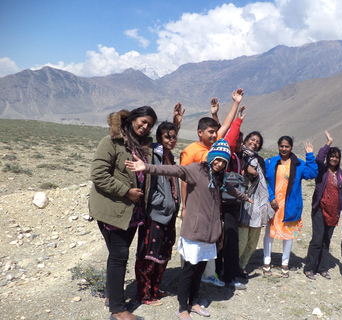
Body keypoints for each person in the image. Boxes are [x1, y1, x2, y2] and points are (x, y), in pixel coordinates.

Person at [125, 139, 253, 320]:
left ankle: (193, 303)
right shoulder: (195, 170)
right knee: (189, 271)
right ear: (211, 157)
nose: (219, 164)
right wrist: (146, 167)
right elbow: (174, 170)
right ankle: (182, 307)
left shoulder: (220, 177)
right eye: (217, 159)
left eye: (223, 162)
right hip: (194, 230)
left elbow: (231, 189)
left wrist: (244, 197)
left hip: (209, 233)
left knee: (199, 271)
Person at [89, 106, 157, 320]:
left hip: (132, 212)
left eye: (149, 125)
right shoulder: (111, 142)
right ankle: (118, 310)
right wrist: (125, 191)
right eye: (143, 121)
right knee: (120, 256)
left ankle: (112, 296)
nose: (145, 127)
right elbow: (98, 174)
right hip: (113, 210)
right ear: (132, 119)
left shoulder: (142, 146)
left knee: (116, 255)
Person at [180, 89, 244, 287]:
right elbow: (183, 180)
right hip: (195, 205)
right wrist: (184, 206)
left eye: (216, 132)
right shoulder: (190, 152)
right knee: (191, 241)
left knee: (211, 239)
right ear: (200, 132)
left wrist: (235, 103)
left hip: (212, 204)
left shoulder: (214, 146)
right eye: (211, 132)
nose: (215, 135)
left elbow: (226, 125)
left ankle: (208, 274)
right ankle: (187, 276)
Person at [135, 103, 185, 305]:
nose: (172, 140)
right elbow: (151, 186)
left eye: (174, 137)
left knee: (164, 252)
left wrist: (175, 124)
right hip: (156, 213)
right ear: (159, 139)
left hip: (169, 214)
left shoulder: (169, 156)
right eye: (167, 137)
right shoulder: (153, 156)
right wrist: (163, 202)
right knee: (149, 255)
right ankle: (144, 294)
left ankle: (155, 290)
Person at [263, 136, 318, 278]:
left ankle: (285, 263)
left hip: (290, 206)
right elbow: (266, 182)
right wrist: (271, 197)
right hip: (273, 205)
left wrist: (310, 155)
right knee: (269, 234)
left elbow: (312, 173)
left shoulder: (298, 164)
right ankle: (266, 261)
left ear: (291, 147)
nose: (284, 149)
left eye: (287, 146)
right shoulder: (270, 162)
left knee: (288, 235)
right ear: (278, 146)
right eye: (281, 146)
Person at [303, 130, 342, 280]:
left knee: (326, 241)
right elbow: (318, 158)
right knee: (317, 240)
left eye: (336, 157)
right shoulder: (321, 170)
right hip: (319, 209)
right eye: (332, 156)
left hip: (333, 212)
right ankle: (309, 267)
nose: (334, 159)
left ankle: (322, 268)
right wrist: (328, 144)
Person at [216, 107, 247, 289]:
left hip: (231, 203)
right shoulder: (227, 154)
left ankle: (225, 272)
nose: (240, 144)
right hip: (225, 202)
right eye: (238, 141)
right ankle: (228, 276)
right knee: (228, 239)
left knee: (227, 238)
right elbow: (228, 137)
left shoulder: (236, 156)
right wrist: (237, 121)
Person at [237, 131, 275, 278]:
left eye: (258, 141)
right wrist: (246, 169)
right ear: (245, 141)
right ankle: (232, 266)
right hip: (243, 202)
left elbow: (263, 182)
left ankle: (242, 266)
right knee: (242, 240)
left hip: (258, 203)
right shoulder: (239, 155)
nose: (254, 143)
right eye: (252, 140)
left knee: (253, 242)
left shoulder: (260, 160)